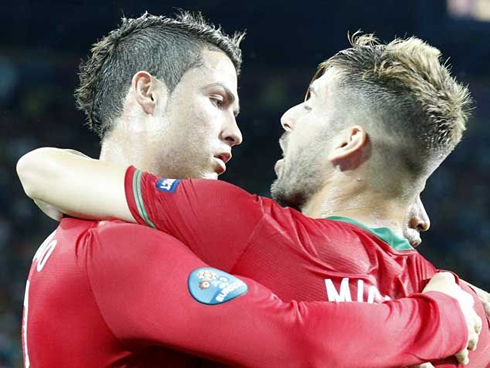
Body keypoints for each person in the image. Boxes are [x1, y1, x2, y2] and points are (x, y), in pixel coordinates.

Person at [16, 13, 482, 368]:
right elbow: (295, 340)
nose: (238, 133)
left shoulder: (229, 229)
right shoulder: (115, 245)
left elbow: (41, 170)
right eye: (217, 101)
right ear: (148, 93)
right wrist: (443, 313)